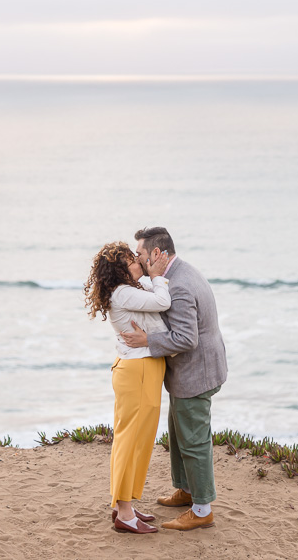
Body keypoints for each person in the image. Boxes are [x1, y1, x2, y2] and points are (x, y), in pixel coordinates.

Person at [120, 226, 227, 531]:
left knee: (192, 441)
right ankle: (186, 491)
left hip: (196, 373)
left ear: (157, 253)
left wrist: (147, 343)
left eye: (140, 254)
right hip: (196, 369)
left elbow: (186, 338)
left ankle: (202, 509)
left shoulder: (178, 285)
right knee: (178, 433)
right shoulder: (178, 273)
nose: (137, 260)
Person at [84, 241, 171, 535]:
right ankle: (123, 511)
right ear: (121, 269)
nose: (138, 261)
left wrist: (150, 277)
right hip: (139, 370)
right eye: (131, 259)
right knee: (130, 441)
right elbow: (163, 303)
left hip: (140, 368)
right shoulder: (124, 292)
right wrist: (157, 276)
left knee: (139, 440)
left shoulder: (128, 290)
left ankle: (126, 505)